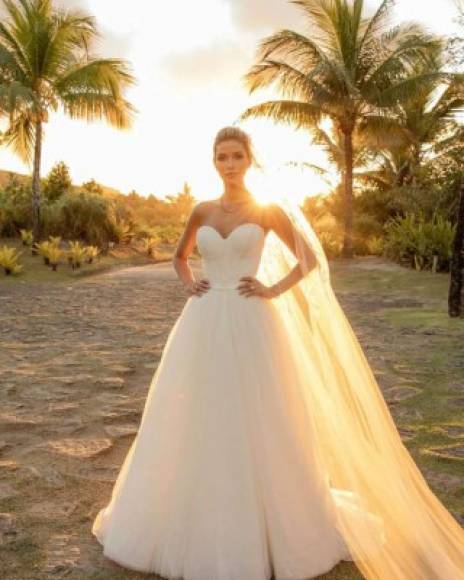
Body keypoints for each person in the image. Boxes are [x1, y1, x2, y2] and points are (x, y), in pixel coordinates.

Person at [92, 126, 464, 580]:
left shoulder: (267, 211)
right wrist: (190, 284)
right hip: (204, 323)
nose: (229, 164)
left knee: (265, 414)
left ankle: (273, 523)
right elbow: (179, 256)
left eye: (236, 156)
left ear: (250, 160)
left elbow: (309, 259)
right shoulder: (201, 209)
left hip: (254, 322)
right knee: (195, 413)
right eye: (221, 157)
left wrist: (273, 289)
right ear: (214, 161)